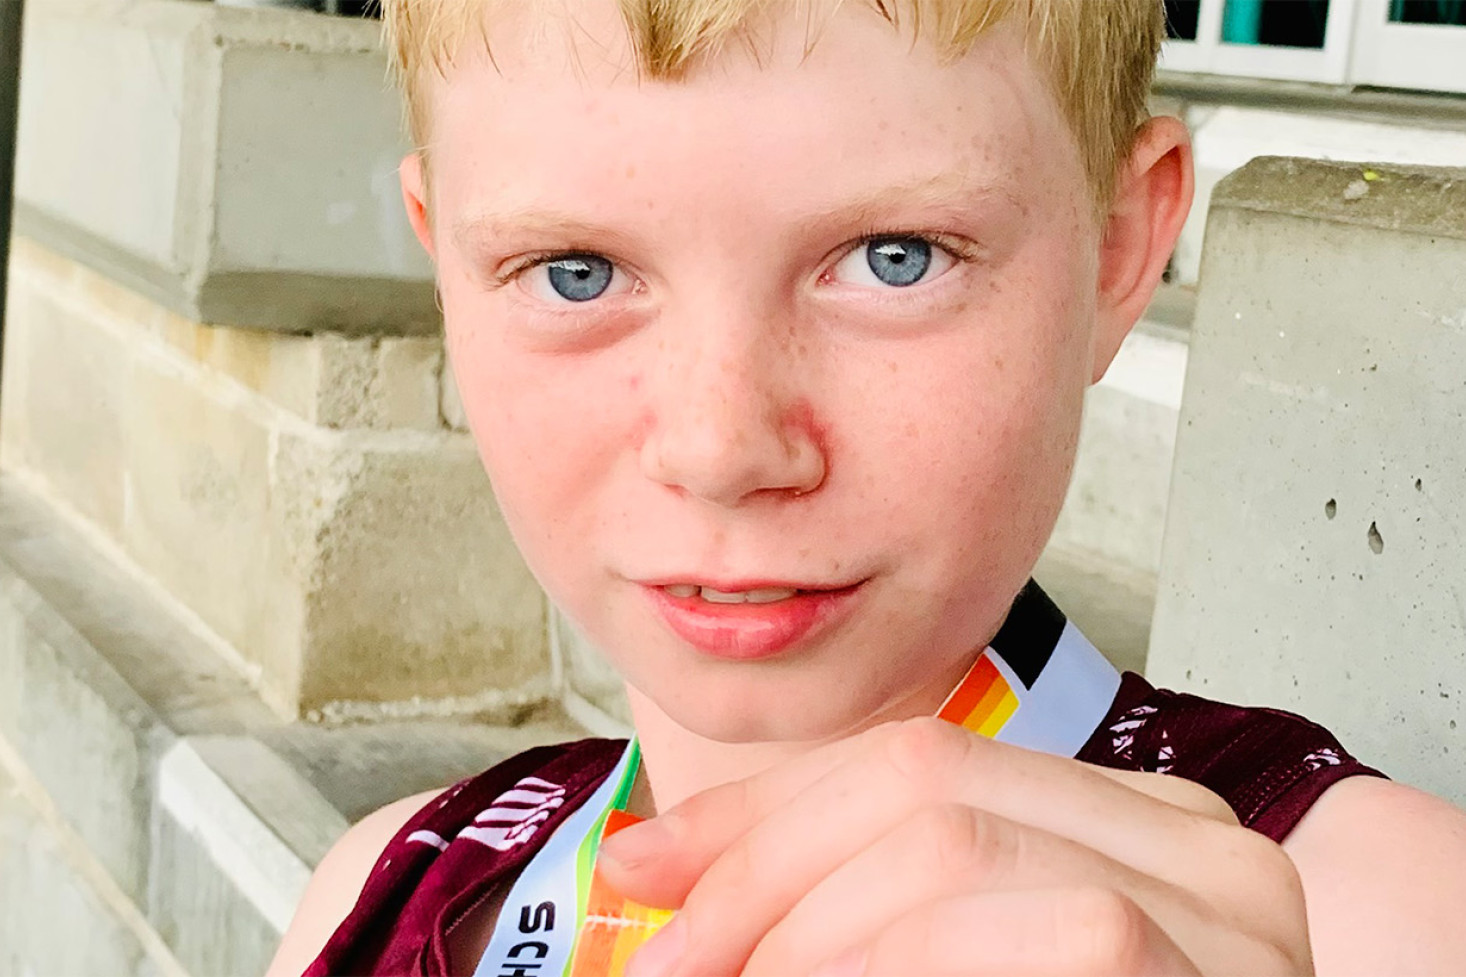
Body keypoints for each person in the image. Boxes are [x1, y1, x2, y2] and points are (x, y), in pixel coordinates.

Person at [268, 1, 1466, 974]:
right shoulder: (379, 887)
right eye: (574, 273)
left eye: (895, 261)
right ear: (444, 266)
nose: (722, 446)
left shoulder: (1382, 920)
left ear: (1115, 248)